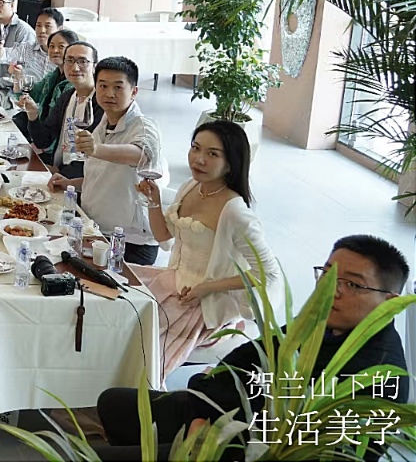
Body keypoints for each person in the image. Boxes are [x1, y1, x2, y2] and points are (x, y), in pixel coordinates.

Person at [97, 235, 410, 453]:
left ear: (390, 303)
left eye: (352, 284)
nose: (331, 289)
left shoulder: (379, 376)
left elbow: (322, 445)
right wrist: (201, 410)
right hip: (217, 415)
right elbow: (247, 357)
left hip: (246, 447)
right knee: (114, 403)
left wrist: (212, 429)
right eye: (327, 274)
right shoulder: (319, 321)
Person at [135, 122, 279, 374]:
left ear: (231, 163)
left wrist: (207, 287)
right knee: (116, 307)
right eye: (195, 148)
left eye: (212, 154)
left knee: (142, 352)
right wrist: (153, 201)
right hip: (173, 282)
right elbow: (163, 236)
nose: (199, 159)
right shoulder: (190, 187)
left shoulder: (235, 212)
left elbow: (267, 273)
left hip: (206, 304)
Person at [62, 56, 163, 267]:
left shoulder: (144, 126)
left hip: (129, 242)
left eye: (118, 87)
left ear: (134, 91)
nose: (109, 94)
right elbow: (103, 175)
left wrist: (96, 149)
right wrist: (69, 183)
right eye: (103, 86)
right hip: (96, 230)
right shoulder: (104, 122)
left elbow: (141, 155)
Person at [31, 41, 102, 180]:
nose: (75, 68)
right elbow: (44, 140)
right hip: (60, 173)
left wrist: (61, 172)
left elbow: (94, 156)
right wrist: (33, 115)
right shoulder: (67, 97)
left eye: (83, 61)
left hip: (83, 181)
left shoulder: (101, 103)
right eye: (69, 61)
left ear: (94, 66)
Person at [15, 28, 79, 143]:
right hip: (40, 132)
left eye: (61, 46)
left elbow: (60, 125)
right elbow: (32, 94)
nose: (55, 50)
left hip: (56, 141)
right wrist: (18, 77)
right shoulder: (52, 76)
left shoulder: (72, 84)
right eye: (51, 46)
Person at [9, 7, 65, 87]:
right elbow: (6, 57)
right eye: (38, 25)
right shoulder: (26, 49)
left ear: (60, 29)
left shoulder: (64, 57)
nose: (42, 30)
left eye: (47, 26)